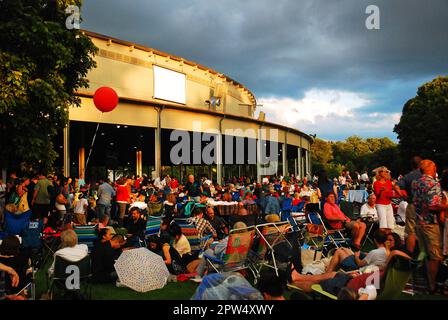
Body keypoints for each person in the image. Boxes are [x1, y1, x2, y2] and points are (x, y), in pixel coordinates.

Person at [412, 159, 448, 293]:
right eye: (434, 167)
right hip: (430, 223)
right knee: (435, 256)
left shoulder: (416, 183)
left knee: (426, 254)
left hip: (419, 222)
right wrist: (445, 206)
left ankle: (427, 282)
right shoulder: (433, 184)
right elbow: (433, 206)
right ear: (431, 169)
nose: (435, 170)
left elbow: (415, 201)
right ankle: (432, 285)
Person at [396, 156, 423, 254]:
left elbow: (396, 186)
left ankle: (410, 255)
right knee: (424, 228)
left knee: (410, 230)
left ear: (411, 165)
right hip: (425, 206)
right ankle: (421, 251)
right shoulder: (425, 175)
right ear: (421, 164)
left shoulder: (408, 176)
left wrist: (403, 196)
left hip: (412, 204)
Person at [373, 166, 402, 233]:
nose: (385, 173)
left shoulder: (389, 182)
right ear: (379, 173)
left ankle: (388, 240)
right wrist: (381, 191)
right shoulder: (376, 183)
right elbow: (377, 196)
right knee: (383, 224)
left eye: (386, 171)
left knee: (390, 224)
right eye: (382, 171)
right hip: (380, 204)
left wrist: (395, 193)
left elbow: (390, 194)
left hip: (388, 203)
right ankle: (382, 240)